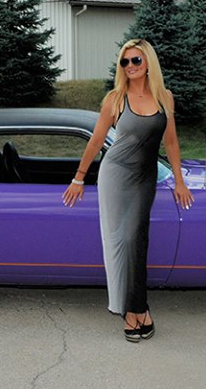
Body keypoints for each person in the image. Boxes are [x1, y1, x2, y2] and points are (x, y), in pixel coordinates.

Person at [62, 38, 193, 342]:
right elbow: (96, 140)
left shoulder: (165, 98)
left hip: (145, 176)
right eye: (125, 61)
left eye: (136, 60)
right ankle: (136, 311)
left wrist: (179, 181)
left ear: (148, 63)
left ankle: (135, 308)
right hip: (115, 175)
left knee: (137, 238)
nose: (130, 66)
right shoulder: (115, 99)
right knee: (120, 241)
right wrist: (79, 178)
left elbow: (171, 141)